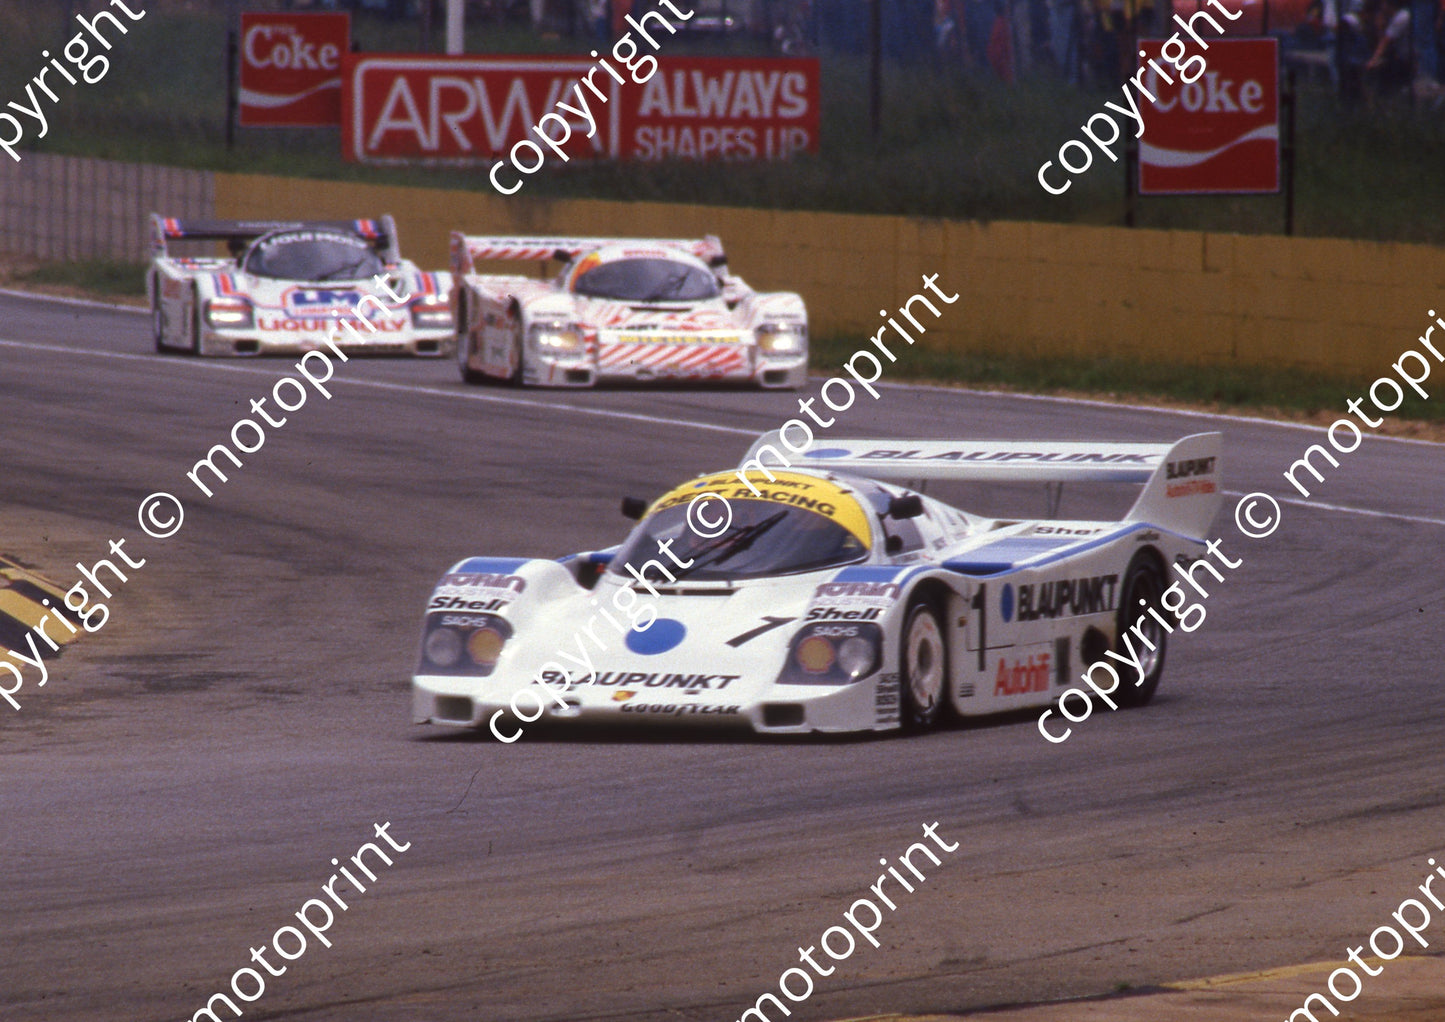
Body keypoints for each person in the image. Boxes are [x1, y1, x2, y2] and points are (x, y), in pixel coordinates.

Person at [1365, 0, 1414, 97]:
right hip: (1400, 57)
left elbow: (1385, 42)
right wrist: (1380, 26)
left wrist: (1373, 61)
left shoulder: (1402, 17)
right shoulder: (1394, 17)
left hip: (1405, 60)